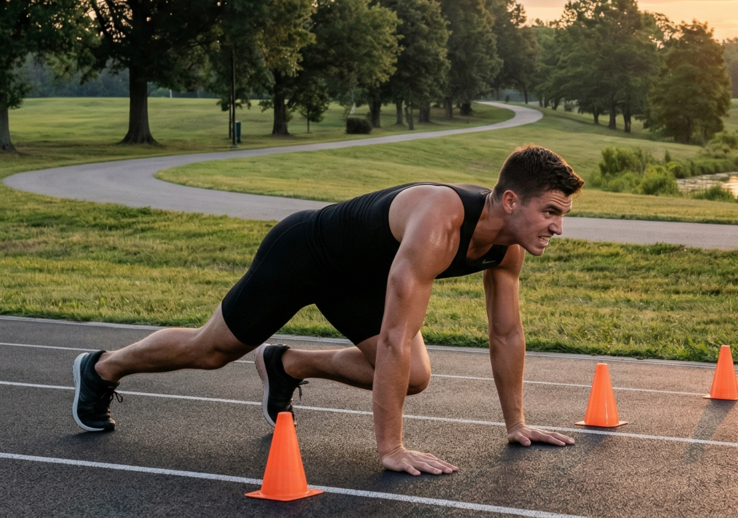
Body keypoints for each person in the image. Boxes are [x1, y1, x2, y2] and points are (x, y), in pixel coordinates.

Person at [71, 144, 581, 476]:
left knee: (414, 377)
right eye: (550, 212)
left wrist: (516, 423)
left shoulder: (507, 249)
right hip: (303, 254)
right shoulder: (441, 221)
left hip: (356, 280)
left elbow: (506, 335)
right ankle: (101, 368)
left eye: (561, 215)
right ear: (510, 201)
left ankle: (286, 364)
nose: (558, 227)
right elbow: (394, 339)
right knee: (211, 351)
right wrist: (391, 449)